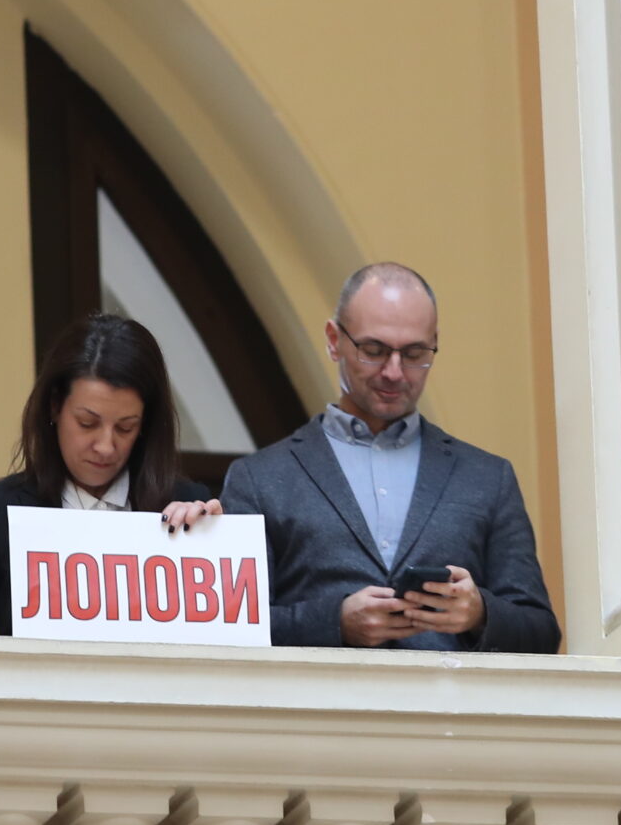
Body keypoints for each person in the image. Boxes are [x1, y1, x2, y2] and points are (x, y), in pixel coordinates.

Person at [218, 262, 558, 652]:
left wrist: (481, 613)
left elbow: (542, 633)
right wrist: (333, 623)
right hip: (320, 693)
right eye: (374, 351)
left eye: (414, 353)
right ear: (333, 340)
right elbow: (232, 629)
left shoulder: (488, 478)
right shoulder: (258, 479)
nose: (394, 372)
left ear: (434, 343)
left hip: (449, 692)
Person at [0, 311, 221, 636]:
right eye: (87, 423)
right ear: (55, 406)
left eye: (125, 428)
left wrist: (215, 541)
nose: (106, 447)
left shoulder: (187, 506)